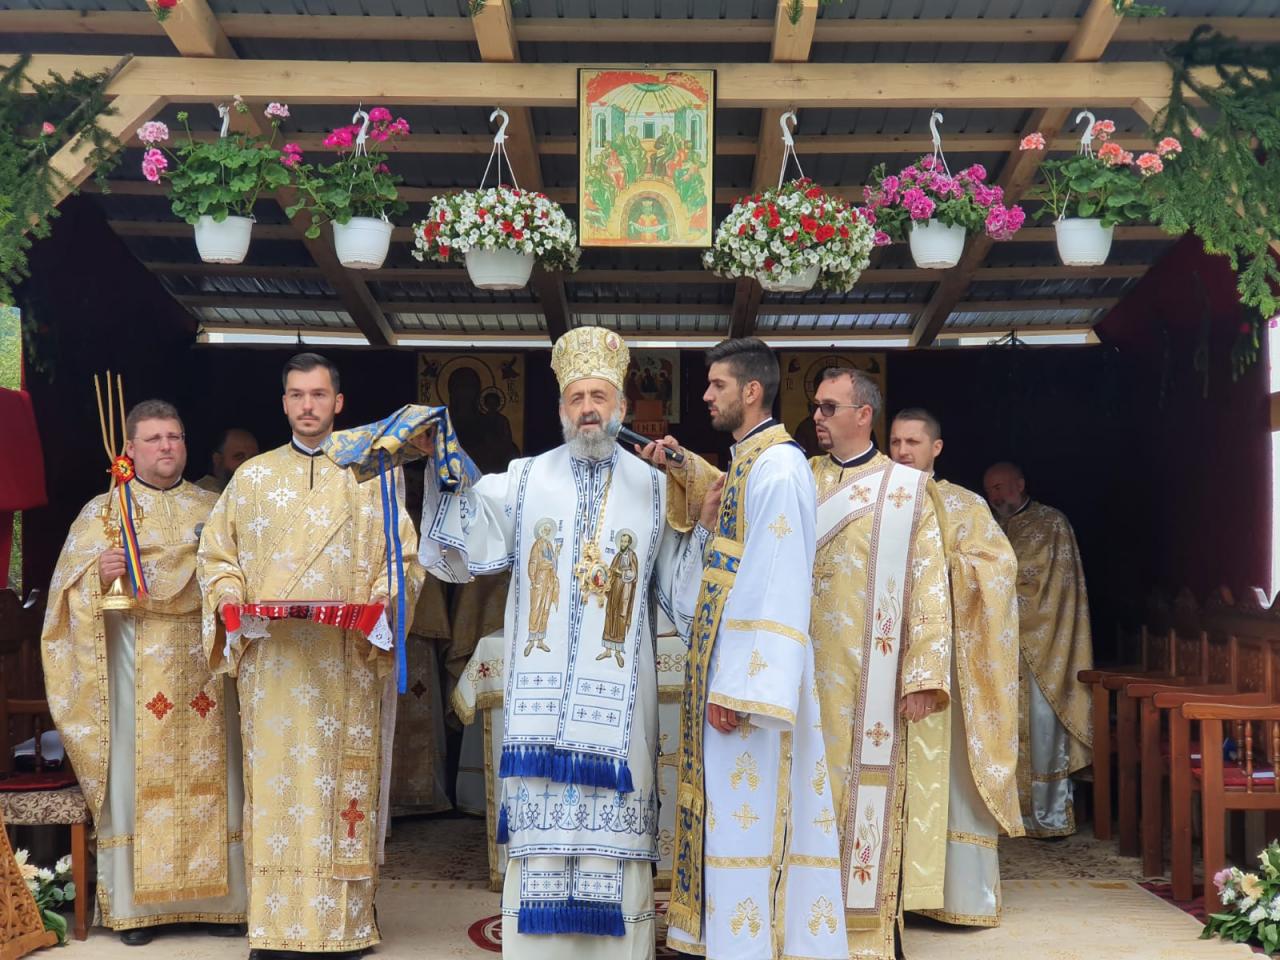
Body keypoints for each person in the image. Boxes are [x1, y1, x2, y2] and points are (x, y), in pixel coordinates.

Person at [418, 326, 712, 960]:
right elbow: (465, 534)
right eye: (577, 397)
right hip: (541, 704)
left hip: (619, 701)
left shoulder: (656, 487)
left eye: (599, 396)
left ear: (622, 407)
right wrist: (443, 465)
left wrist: (704, 515)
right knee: (541, 833)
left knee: (616, 834)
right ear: (560, 409)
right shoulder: (524, 479)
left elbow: (683, 586)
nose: (588, 409)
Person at [197, 353, 420, 958]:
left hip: (344, 664)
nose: (307, 406)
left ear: (338, 403)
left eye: (318, 394)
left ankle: (344, 925)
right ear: (284, 403)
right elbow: (218, 557)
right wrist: (230, 600)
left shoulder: (371, 478)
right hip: (273, 667)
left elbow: (400, 559)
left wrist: (384, 601)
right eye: (296, 395)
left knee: (339, 797)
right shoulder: (253, 478)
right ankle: (273, 928)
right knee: (277, 794)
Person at [645, 338, 847, 960]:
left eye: (718, 385)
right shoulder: (748, 463)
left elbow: (773, 581)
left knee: (751, 816)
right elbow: (728, 556)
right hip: (726, 672)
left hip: (750, 688)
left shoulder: (779, 467)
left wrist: (740, 688)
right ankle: (728, 939)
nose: (706, 395)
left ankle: (752, 945)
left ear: (752, 391)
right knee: (730, 813)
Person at [42, 399, 246, 944]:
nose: (166, 447)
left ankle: (222, 904)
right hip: (137, 664)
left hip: (204, 665)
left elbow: (241, 573)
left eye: (174, 436)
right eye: (154, 439)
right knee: (136, 778)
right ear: (130, 448)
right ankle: (138, 910)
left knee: (219, 776)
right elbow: (63, 599)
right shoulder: (103, 513)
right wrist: (96, 576)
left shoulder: (215, 507)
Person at [889, 408, 1022, 928]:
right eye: (896, 442)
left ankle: (959, 896)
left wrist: (939, 567)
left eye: (913, 442)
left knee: (952, 779)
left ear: (936, 448)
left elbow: (1000, 569)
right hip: (888, 658)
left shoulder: (964, 504)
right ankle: (890, 894)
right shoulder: (875, 499)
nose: (903, 451)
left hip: (951, 665)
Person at [983, 461, 1093, 839]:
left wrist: (996, 593)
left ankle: (1049, 816)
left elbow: (1053, 587)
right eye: (990, 490)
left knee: (1042, 726)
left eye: (1001, 487)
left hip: (1043, 648)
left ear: (1020, 484)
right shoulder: (986, 526)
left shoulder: (1051, 524)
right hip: (996, 646)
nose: (995, 496)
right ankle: (1005, 816)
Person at [196, 427, 260, 494]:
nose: (248, 464)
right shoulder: (202, 495)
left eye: (253, 458)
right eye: (239, 457)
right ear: (218, 461)